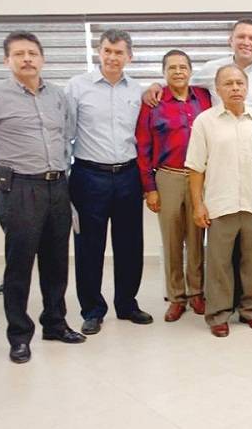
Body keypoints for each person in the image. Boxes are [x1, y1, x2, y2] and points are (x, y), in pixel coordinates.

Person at [0, 31, 85, 363]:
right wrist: (3, 171)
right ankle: (19, 336)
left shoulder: (57, 96)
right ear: (7, 60)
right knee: (19, 266)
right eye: (19, 54)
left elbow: (67, 137)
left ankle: (55, 324)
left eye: (32, 53)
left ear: (42, 58)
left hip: (57, 187)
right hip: (20, 189)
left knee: (56, 263)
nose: (27, 59)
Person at [66, 29, 152, 335]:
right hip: (89, 175)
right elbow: (65, 133)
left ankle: (127, 304)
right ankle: (92, 310)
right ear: (99, 52)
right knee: (89, 247)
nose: (112, 57)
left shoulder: (137, 90)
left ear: (129, 56)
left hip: (128, 175)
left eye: (119, 52)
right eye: (107, 51)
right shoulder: (77, 87)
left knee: (130, 244)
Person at [185, 64, 252, 337]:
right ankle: (218, 314)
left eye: (240, 83)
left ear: (247, 87)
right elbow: (195, 168)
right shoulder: (205, 121)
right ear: (217, 89)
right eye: (228, 83)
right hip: (220, 203)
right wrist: (198, 205)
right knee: (219, 264)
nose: (235, 88)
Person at [135, 49, 212, 322]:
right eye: (172, 68)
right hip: (167, 177)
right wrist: (150, 188)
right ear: (164, 72)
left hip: (200, 177)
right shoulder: (153, 102)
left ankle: (197, 293)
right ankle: (177, 297)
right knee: (172, 240)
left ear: (190, 71)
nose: (178, 72)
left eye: (183, 67)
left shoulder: (204, 97)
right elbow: (143, 147)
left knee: (197, 238)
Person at [143, 18, 252, 115]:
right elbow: (183, 81)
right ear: (230, 41)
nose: (246, 42)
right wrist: (157, 85)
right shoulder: (213, 68)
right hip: (220, 146)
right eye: (241, 37)